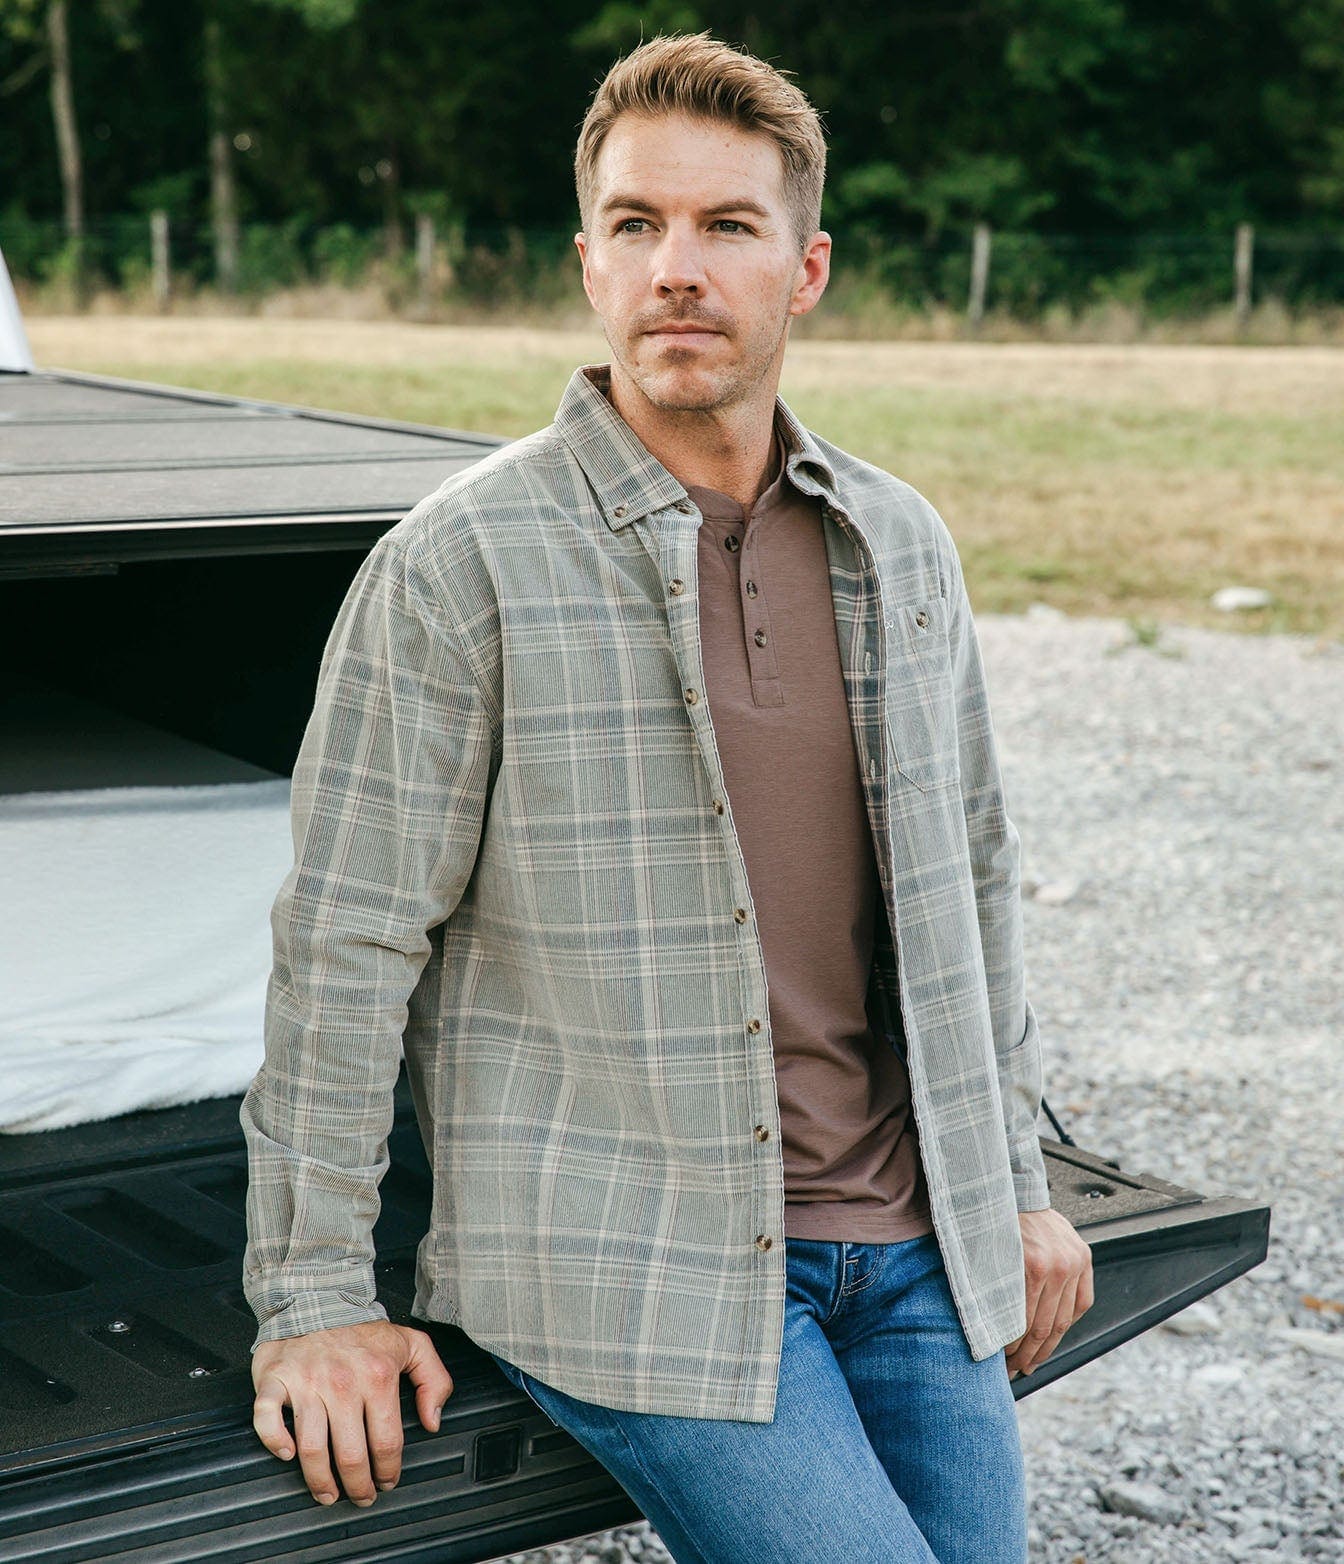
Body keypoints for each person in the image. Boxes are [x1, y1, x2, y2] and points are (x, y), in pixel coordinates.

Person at [242, 30, 1093, 1564]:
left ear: (807, 271)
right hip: (639, 1264)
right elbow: (345, 949)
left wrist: (1016, 1185)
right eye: (636, 225)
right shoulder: (458, 566)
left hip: (914, 1242)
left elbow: (971, 881)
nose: (676, 270)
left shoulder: (901, 541)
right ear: (589, 262)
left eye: (726, 227)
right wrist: (314, 1302)